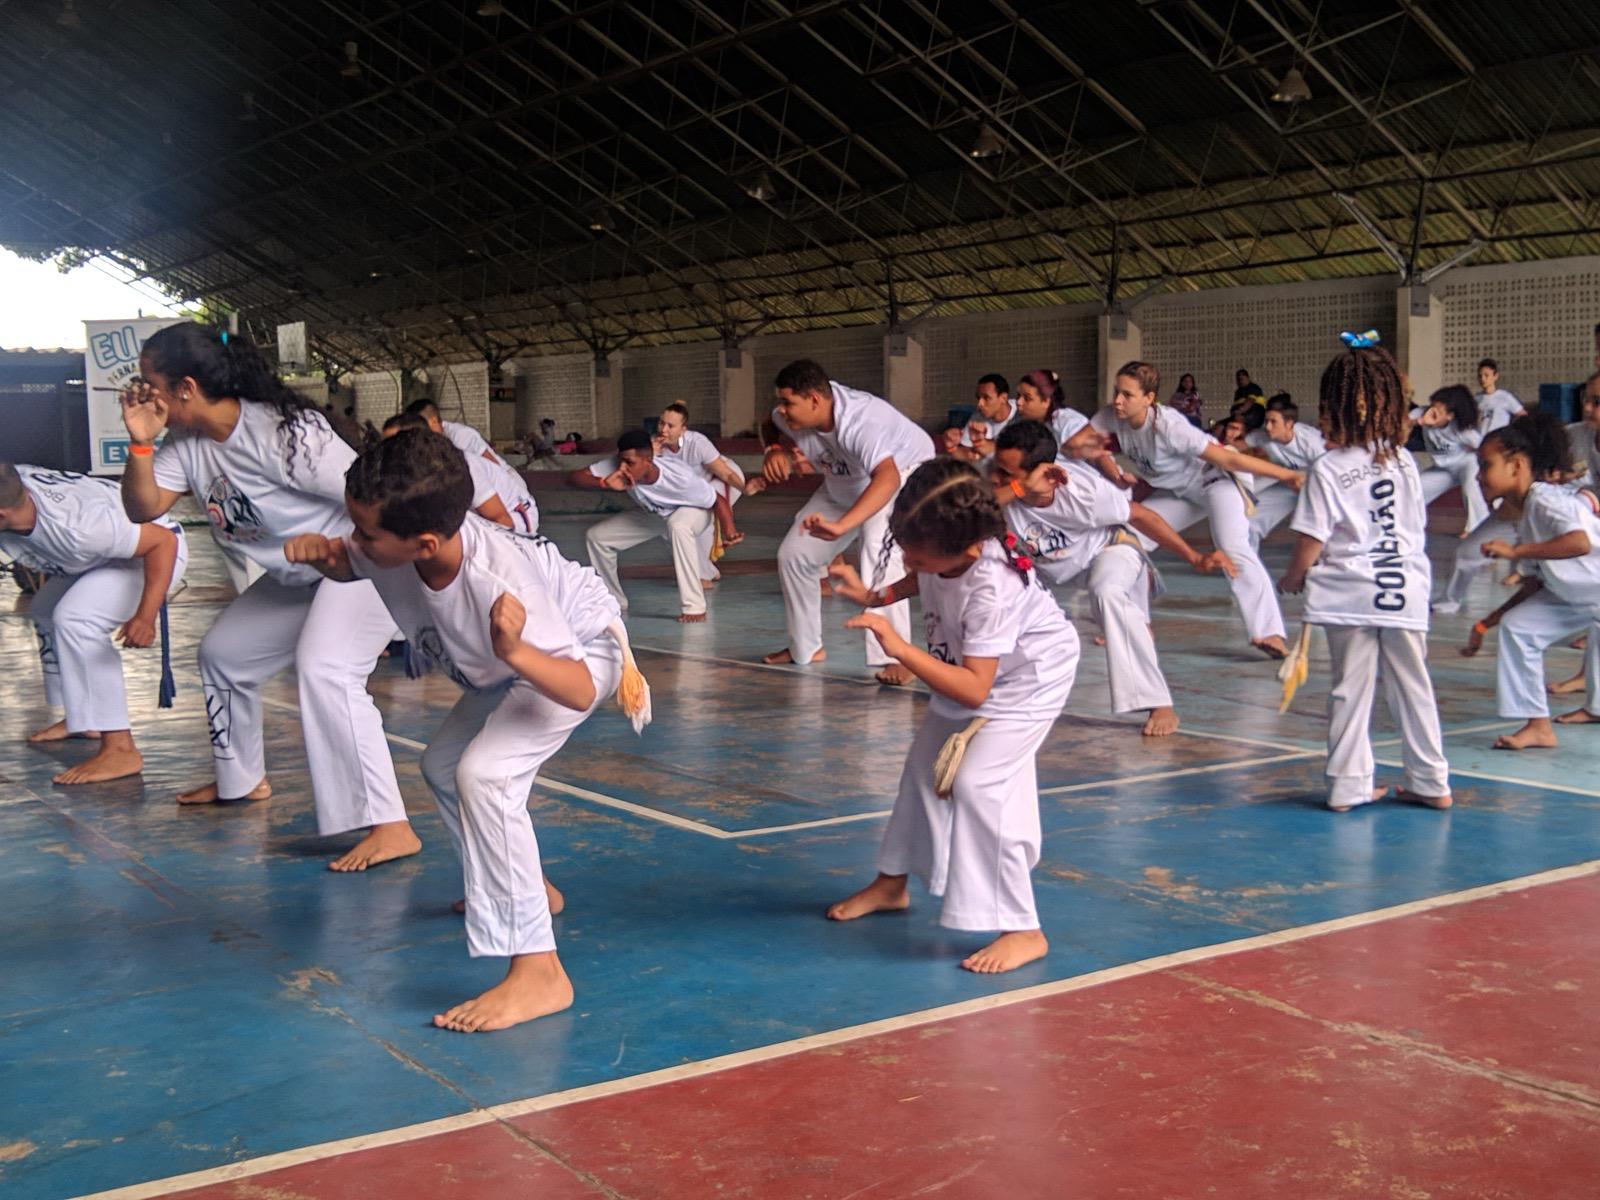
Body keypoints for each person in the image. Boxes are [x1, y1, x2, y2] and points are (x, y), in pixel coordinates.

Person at [285, 428, 645, 1032]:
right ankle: (529, 892)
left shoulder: (497, 583)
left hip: (569, 657)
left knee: (485, 776)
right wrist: (329, 555)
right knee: (442, 766)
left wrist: (516, 651)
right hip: (511, 662)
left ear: (424, 543)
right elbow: (360, 558)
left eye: (366, 532)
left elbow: (580, 689)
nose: (357, 538)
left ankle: (540, 973)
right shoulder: (402, 540)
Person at [118, 323, 420, 872]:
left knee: (325, 667)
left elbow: (375, 499)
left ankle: (391, 825)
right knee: (224, 655)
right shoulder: (185, 445)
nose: (143, 392)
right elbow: (143, 509)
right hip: (295, 577)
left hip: (360, 564)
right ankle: (241, 781)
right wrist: (139, 442)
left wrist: (353, 559)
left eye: (149, 382)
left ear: (185, 387)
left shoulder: (286, 433)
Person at [823, 457, 1077, 974]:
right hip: (975, 668)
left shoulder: (992, 587)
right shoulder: (951, 550)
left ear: (965, 550)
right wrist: (878, 595)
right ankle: (893, 882)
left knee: (979, 784)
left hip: (1029, 681)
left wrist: (900, 648)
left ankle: (1025, 929)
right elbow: (927, 578)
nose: (909, 558)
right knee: (923, 769)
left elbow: (975, 692)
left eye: (917, 553)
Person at [1277, 344, 1451, 812]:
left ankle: (1348, 786)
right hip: (1405, 588)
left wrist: (1293, 578)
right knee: (1413, 686)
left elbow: (1312, 539)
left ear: (1332, 408)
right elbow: (1413, 528)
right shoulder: (1404, 462)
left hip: (1349, 593)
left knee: (1350, 688)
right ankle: (1432, 781)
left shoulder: (1328, 469)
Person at [990, 421, 1236, 737]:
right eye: (998, 470)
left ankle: (1158, 702)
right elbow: (974, 506)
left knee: (1106, 592)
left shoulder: (1085, 493)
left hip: (1110, 550)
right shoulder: (1003, 484)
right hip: (1053, 570)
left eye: (1008, 475)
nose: (997, 478)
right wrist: (1016, 488)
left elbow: (1144, 517)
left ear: (1046, 473)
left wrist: (1194, 557)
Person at [1092, 361, 1303, 658]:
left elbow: (1229, 460)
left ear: (1149, 398)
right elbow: (1078, 444)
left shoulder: (1170, 426)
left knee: (1232, 546)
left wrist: (1287, 476)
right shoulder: (1112, 418)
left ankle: (1269, 632)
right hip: (1181, 494)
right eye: (1117, 392)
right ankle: (1136, 623)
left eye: (1127, 394)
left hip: (1216, 481)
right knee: (1131, 537)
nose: (1117, 400)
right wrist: (1110, 469)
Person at [0, 464, 186, 784]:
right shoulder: (12, 486)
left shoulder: (78, 526)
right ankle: (82, 718)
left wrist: (145, 615)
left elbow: (162, 543)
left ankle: (120, 748)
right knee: (46, 608)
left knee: (76, 618)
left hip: (153, 551)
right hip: (98, 553)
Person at [761, 359, 934, 684]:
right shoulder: (789, 417)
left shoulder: (860, 421)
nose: (781, 410)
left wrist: (842, 527)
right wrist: (772, 449)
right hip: (846, 483)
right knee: (794, 555)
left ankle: (897, 657)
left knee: (877, 548)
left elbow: (887, 478)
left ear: (814, 399)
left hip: (905, 475)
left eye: (788, 403)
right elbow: (768, 424)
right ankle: (806, 648)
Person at [1466, 414, 1600, 751]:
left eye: (1486, 465)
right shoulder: (1526, 515)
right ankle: (1538, 726)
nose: (1479, 476)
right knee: (1518, 627)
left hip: (1591, 592)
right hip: (1577, 597)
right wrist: (1486, 623)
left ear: (1516, 466)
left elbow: (1579, 543)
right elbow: (1535, 584)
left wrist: (1515, 551)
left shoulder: (1545, 499)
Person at [568, 429, 734, 623]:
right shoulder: (618, 465)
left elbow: (718, 500)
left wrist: (729, 530)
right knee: (597, 536)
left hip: (693, 511)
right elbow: (573, 478)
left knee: (678, 526)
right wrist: (603, 482)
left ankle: (694, 607)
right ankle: (613, 601)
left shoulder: (679, 477)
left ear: (648, 459)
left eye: (629, 463)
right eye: (620, 461)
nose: (623, 468)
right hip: (657, 514)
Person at [654, 401, 765, 586]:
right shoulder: (656, 448)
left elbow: (725, 473)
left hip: (724, 478)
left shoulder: (697, 443)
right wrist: (651, 455)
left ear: (683, 429)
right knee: (672, 527)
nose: (664, 429)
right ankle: (708, 570)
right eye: (661, 423)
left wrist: (744, 489)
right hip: (695, 489)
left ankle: (703, 576)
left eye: (670, 426)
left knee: (702, 518)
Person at [385, 411, 538, 532]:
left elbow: (502, 521)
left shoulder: (460, 465)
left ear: (418, 442)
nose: (385, 452)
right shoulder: (417, 468)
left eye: (392, 445)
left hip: (517, 519)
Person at [1242, 395, 1327, 547]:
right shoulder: (1263, 435)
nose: (1268, 426)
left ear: (1289, 424)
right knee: (1249, 522)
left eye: (1273, 422)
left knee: (1320, 530)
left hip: (1318, 486)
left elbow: (1329, 474)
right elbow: (1237, 446)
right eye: (1266, 421)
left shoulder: (1311, 441)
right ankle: (1246, 567)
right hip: (1288, 485)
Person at [1413, 385, 1489, 533]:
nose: (1432, 412)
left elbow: (1485, 447)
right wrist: (1421, 421)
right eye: (1432, 406)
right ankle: (1412, 524)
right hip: (1443, 470)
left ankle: (1475, 528)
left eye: (1439, 411)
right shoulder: (1421, 413)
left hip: (1465, 464)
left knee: (1470, 486)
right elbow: (1402, 424)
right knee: (1417, 488)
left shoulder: (1461, 430)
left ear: (1450, 416)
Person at [404, 398, 509, 469]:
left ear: (434, 421)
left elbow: (495, 467)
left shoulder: (460, 436)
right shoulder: (428, 441)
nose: (418, 432)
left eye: (419, 426)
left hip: (506, 488)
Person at [950, 374, 1015, 462]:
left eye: (986, 398)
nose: (980, 404)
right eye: (978, 398)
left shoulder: (1020, 411)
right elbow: (961, 452)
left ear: (1003, 398)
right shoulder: (978, 416)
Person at [1475, 359, 1525, 433]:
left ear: (1495, 376)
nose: (1483, 379)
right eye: (1480, 376)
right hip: (1481, 441)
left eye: (1486, 375)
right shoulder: (1476, 399)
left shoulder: (1505, 397)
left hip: (1499, 440)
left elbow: (1523, 416)